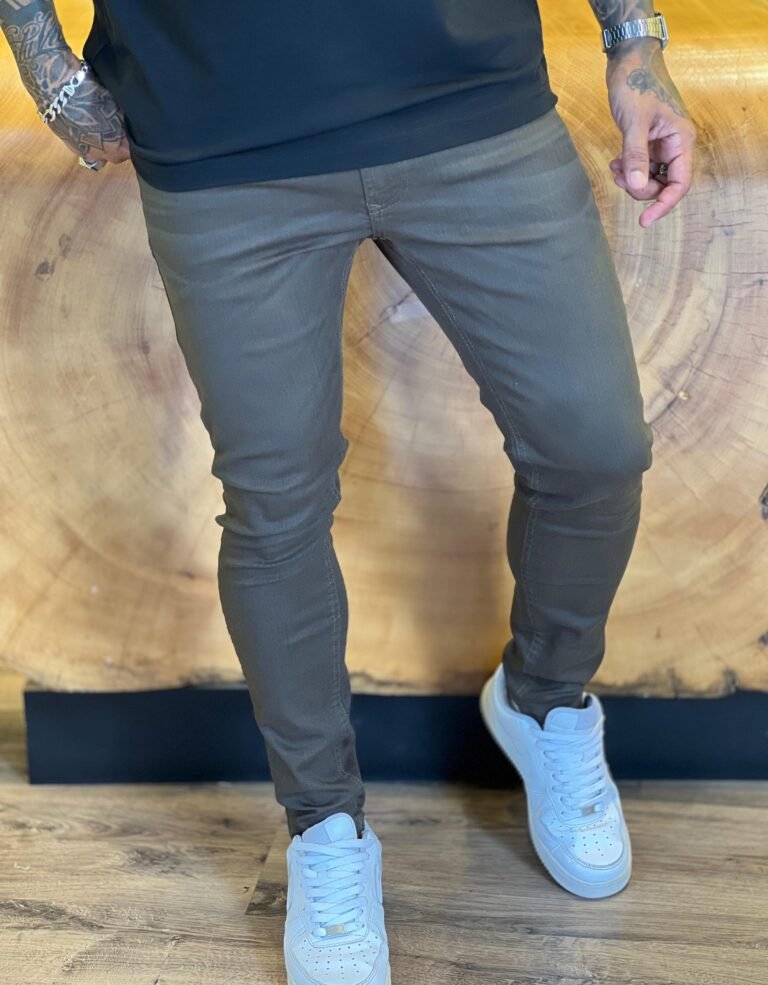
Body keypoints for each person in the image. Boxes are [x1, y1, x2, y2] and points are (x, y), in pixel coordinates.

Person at [3, 2, 696, 982]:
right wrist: (39, 53)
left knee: (595, 449)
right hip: (219, 133)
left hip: (470, 95)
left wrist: (634, 41)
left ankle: (543, 699)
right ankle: (323, 820)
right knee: (274, 506)